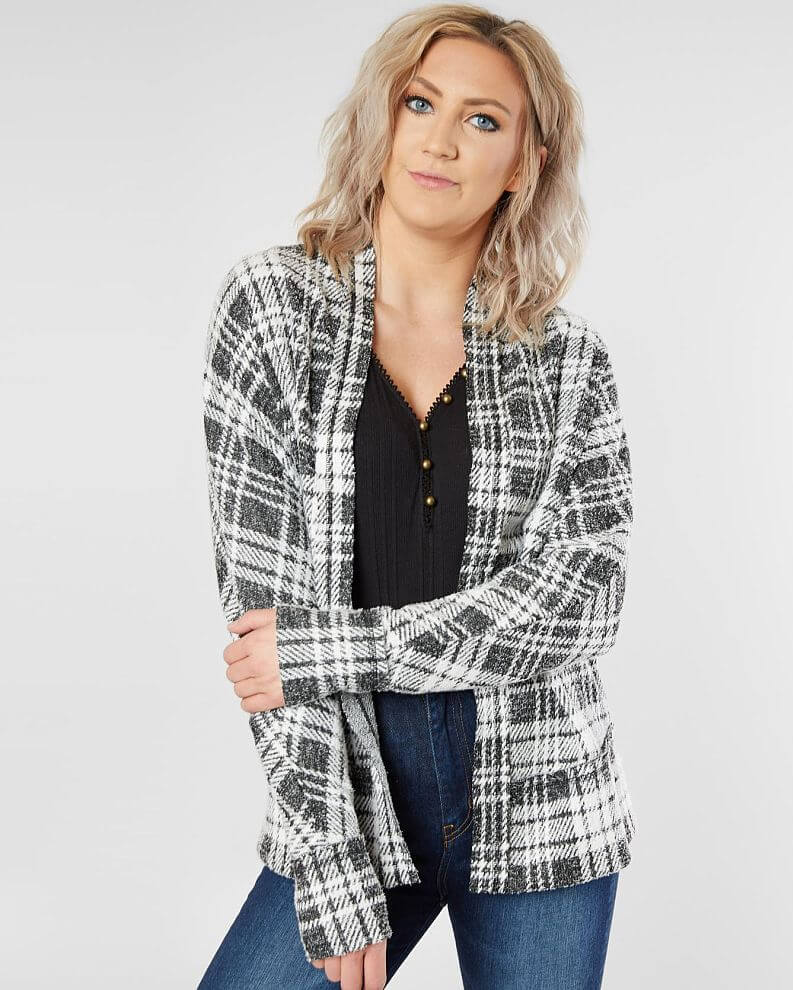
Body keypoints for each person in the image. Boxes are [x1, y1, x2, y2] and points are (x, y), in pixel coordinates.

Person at [198, 5, 637, 988]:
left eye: (483, 120)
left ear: (522, 164)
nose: (440, 140)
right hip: (350, 780)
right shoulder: (273, 308)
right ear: (383, 118)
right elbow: (266, 620)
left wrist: (344, 645)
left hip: (543, 797)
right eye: (419, 103)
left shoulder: (567, 360)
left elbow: (586, 597)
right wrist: (326, 855)